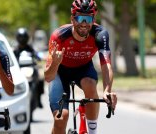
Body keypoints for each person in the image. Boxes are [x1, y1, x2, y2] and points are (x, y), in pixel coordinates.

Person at [44, 0, 117, 134]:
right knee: (61, 118)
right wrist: (55, 63)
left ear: (93, 20)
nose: (84, 23)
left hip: (83, 69)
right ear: (72, 19)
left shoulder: (100, 35)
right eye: (80, 18)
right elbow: (48, 77)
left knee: (89, 84)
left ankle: (92, 131)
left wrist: (107, 90)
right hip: (59, 71)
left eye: (88, 18)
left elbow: (106, 65)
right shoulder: (59, 36)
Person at [13, 27, 44, 108]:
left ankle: (39, 98)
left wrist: (38, 57)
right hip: (20, 70)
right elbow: (12, 58)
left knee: (41, 78)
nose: (22, 39)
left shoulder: (30, 48)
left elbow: (36, 55)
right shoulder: (15, 49)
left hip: (31, 69)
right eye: (20, 37)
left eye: (24, 37)